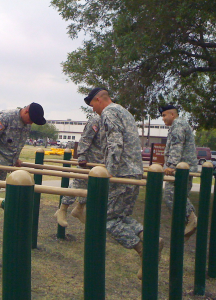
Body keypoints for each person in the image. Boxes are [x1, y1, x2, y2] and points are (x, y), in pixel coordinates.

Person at [84, 87, 163, 280]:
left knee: (106, 218)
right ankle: (151, 239)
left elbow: (115, 143)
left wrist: (109, 171)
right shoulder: (123, 111)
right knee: (122, 215)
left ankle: (143, 249)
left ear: (98, 100)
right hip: (134, 171)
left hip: (122, 172)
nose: (93, 110)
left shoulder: (109, 113)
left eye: (92, 105)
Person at [54, 114, 104, 227]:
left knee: (93, 188)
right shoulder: (96, 120)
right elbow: (85, 138)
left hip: (101, 163)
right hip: (88, 161)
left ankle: (79, 208)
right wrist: (81, 156)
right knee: (77, 185)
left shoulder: (111, 122)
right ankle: (62, 209)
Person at [159, 104, 198, 241]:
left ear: (172, 115)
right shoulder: (179, 125)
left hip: (180, 169)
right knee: (179, 196)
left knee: (171, 195)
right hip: (185, 167)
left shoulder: (177, 124)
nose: (163, 119)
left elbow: (177, 145)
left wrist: (171, 165)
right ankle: (186, 225)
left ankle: (191, 220)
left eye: (164, 115)